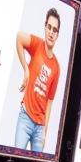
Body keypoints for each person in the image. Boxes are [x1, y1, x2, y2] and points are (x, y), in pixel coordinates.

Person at [14, 8, 62, 152]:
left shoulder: (56, 67)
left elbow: (50, 103)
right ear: (45, 27)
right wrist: (26, 69)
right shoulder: (37, 45)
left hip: (40, 128)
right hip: (25, 118)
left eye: (55, 30)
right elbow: (19, 37)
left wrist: (44, 133)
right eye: (49, 27)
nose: (51, 32)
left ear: (57, 34)